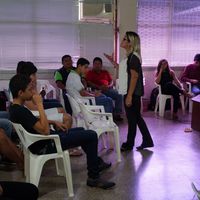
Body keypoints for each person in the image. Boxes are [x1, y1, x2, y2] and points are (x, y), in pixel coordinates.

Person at [9, 74, 115, 189]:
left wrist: (53, 122)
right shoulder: (20, 111)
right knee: (92, 135)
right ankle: (94, 177)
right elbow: (44, 131)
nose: (33, 92)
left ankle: (95, 162)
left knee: (82, 130)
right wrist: (39, 104)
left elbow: (33, 121)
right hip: (47, 143)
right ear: (20, 93)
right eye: (30, 90)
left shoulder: (15, 108)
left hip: (44, 141)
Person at [104, 31, 154, 151]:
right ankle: (146, 140)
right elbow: (123, 70)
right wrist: (112, 61)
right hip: (131, 92)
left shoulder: (133, 58)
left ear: (131, 43)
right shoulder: (130, 57)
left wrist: (130, 96)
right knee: (135, 118)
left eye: (125, 39)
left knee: (133, 119)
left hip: (133, 92)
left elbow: (135, 77)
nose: (123, 40)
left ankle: (130, 143)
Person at [16, 61, 72, 130]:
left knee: (61, 109)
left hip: (37, 111)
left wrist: (38, 94)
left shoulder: (30, 85)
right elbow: (34, 108)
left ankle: (58, 132)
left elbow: (35, 100)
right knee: (68, 117)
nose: (36, 77)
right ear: (27, 75)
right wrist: (39, 101)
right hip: (35, 114)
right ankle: (60, 137)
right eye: (33, 75)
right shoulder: (25, 88)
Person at [86, 57, 123, 121]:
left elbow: (111, 81)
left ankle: (117, 114)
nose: (97, 66)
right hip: (97, 90)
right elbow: (89, 82)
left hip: (107, 89)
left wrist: (108, 86)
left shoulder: (105, 72)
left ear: (101, 65)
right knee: (108, 99)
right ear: (93, 65)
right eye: (95, 64)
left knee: (119, 95)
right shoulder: (90, 73)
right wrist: (98, 87)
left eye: (99, 64)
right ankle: (109, 117)